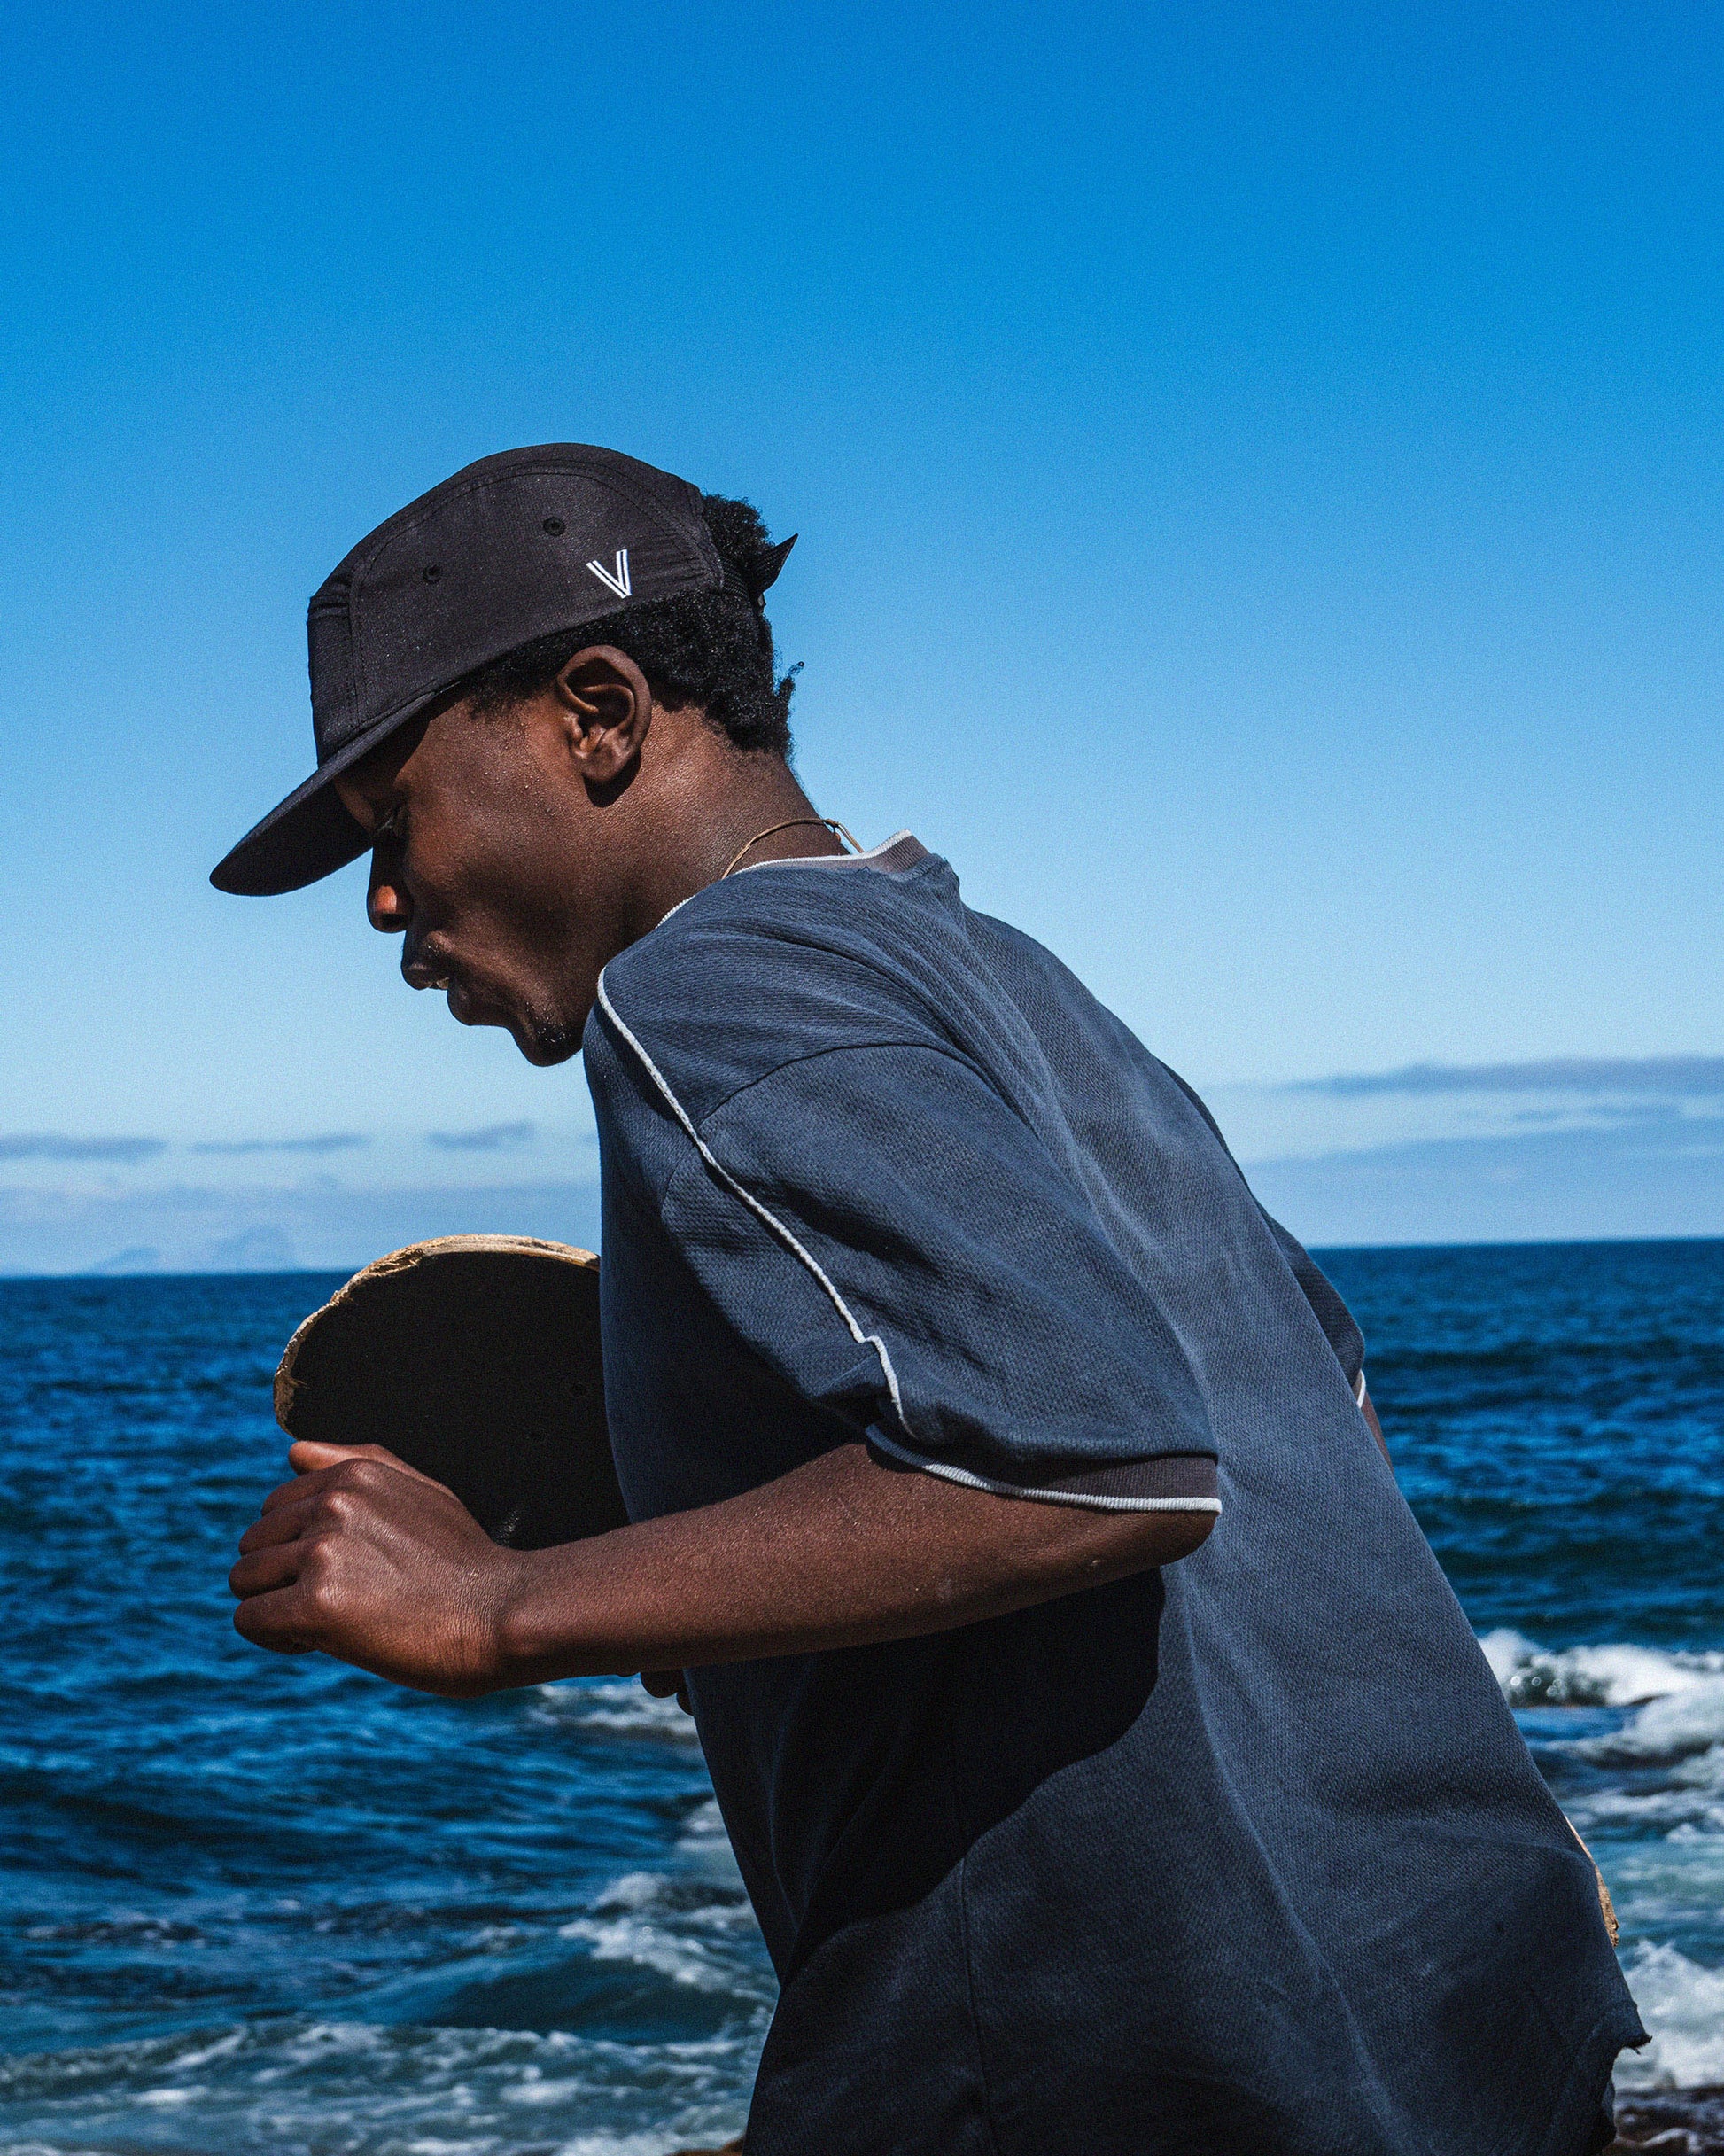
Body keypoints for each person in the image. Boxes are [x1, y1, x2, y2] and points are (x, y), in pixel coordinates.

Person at [215, 445, 1643, 2156]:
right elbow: (1314, 1410)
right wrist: (726, 1583)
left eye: (396, 820)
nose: (386, 902)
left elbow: (1091, 1461)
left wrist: (504, 1603)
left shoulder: (705, 987)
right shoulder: (1017, 985)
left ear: (597, 716)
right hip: (1469, 2018)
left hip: (1119, 2081)